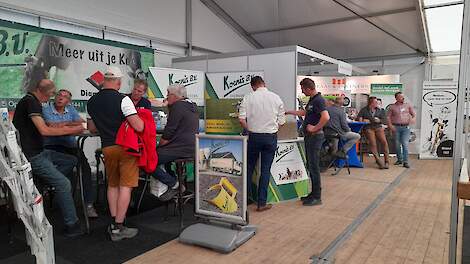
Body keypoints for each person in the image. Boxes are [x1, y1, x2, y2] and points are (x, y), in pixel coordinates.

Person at [13, 79, 84, 237]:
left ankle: (44, 184)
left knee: (72, 160)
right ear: (45, 93)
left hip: (41, 151)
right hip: (33, 155)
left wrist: (68, 126)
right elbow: (45, 130)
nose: (53, 98)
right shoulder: (32, 103)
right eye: (53, 94)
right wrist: (72, 129)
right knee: (64, 183)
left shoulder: (31, 102)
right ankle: (72, 225)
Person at [87, 66, 144, 241]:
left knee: (112, 185)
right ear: (118, 83)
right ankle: (119, 228)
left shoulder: (92, 101)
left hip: (107, 147)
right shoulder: (123, 100)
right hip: (126, 148)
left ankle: (113, 222)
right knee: (125, 186)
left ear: (104, 81)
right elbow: (138, 126)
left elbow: (92, 128)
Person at [42, 89, 98, 218]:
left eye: (65, 96)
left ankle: (88, 205)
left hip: (71, 146)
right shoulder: (46, 109)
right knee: (68, 172)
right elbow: (51, 126)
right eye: (59, 95)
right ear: (54, 97)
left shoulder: (71, 109)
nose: (61, 98)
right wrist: (70, 125)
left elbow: (81, 123)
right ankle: (64, 202)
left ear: (69, 101)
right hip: (53, 147)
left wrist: (64, 124)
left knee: (85, 169)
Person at [239, 76, 285, 212]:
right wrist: (273, 130)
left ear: (253, 86)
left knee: (249, 168)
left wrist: (250, 129)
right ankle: (261, 203)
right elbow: (281, 122)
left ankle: (244, 201)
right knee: (265, 170)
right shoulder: (276, 98)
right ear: (264, 84)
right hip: (270, 137)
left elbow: (241, 119)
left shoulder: (248, 98)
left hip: (253, 137)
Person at [151, 84, 199, 201]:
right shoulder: (192, 105)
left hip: (179, 149)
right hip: (192, 148)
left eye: (168, 94)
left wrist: (159, 145)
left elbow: (168, 133)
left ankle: (174, 185)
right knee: (161, 156)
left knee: (147, 160)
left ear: (174, 95)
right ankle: (174, 182)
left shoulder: (178, 106)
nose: (166, 97)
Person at [286, 78, 329, 206]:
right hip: (310, 137)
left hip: (315, 137)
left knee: (314, 166)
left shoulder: (319, 100)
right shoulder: (313, 100)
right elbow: (305, 112)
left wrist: (315, 128)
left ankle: (317, 196)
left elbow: (326, 117)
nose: (302, 92)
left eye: (303, 89)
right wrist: (289, 112)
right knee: (310, 165)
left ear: (308, 88)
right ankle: (313, 193)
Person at [357, 96, 390, 169]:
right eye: (375, 102)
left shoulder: (380, 110)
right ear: (371, 103)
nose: (377, 103)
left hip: (378, 127)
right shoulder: (364, 110)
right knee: (373, 143)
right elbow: (359, 119)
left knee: (384, 142)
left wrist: (379, 120)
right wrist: (363, 121)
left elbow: (384, 120)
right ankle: (378, 161)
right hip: (368, 127)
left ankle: (386, 161)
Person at [387, 92, 415, 168]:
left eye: (403, 97)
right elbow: (388, 117)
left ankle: (405, 161)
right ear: (396, 98)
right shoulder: (392, 107)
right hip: (396, 127)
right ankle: (400, 159)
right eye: (401, 97)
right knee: (397, 144)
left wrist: (412, 119)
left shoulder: (408, 105)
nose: (403, 98)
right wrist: (390, 125)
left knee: (405, 143)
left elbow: (413, 115)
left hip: (406, 127)